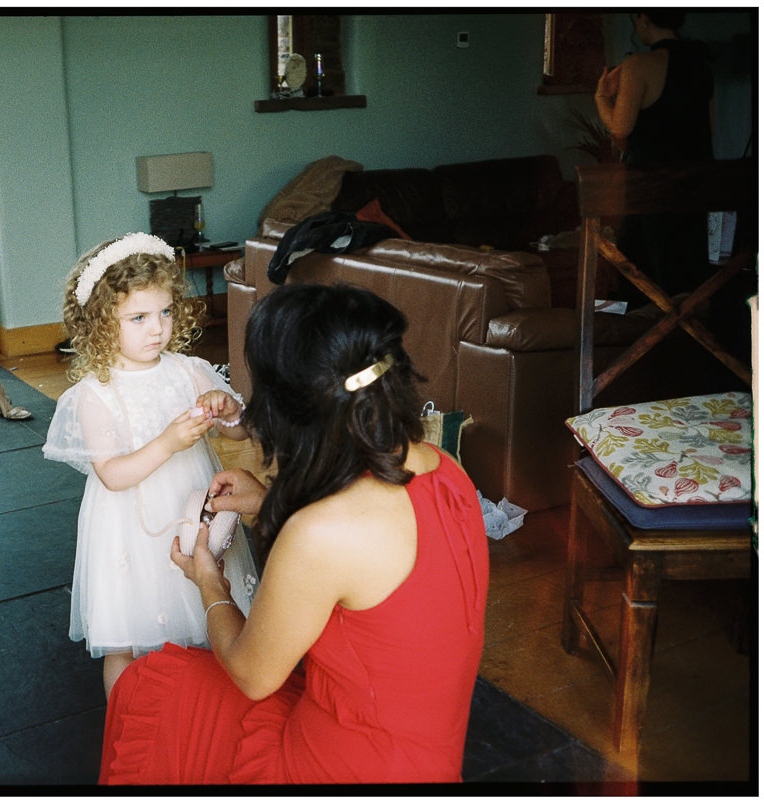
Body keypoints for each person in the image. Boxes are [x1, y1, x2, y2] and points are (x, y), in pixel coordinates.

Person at [99, 283, 489, 784]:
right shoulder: (446, 469)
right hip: (429, 761)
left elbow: (251, 674)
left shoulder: (322, 532)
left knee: (149, 685)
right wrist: (265, 502)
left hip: (339, 769)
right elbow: (383, 561)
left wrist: (208, 580)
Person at [43, 232, 258, 699]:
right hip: (129, 531)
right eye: (137, 318)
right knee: (127, 638)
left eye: (163, 312)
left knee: (208, 616)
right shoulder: (96, 393)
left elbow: (240, 432)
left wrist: (229, 411)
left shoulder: (188, 370)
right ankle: (127, 729)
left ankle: (206, 716)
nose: (156, 329)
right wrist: (168, 441)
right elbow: (113, 474)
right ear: (103, 323)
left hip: (191, 513)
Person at [594, 11, 714, 298]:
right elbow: (707, 127)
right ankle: (688, 337)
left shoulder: (640, 64)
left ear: (643, 20)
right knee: (686, 275)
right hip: (695, 185)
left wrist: (601, 98)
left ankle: (643, 338)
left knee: (640, 273)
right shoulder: (701, 62)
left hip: (649, 188)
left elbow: (620, 129)